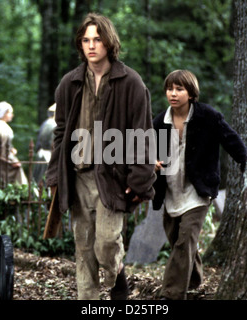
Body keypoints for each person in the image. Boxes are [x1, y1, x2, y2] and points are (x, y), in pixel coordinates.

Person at [45, 13, 156, 300]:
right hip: (78, 175)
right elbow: (60, 134)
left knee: (106, 243)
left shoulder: (130, 82)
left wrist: (141, 179)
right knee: (84, 249)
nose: (91, 45)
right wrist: (55, 175)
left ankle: (118, 281)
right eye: (85, 40)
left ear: (109, 42)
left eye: (97, 39)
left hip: (113, 177)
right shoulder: (69, 83)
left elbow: (142, 133)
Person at [152, 70, 247, 300]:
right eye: (170, 89)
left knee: (185, 240)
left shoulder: (208, 117)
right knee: (177, 240)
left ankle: (172, 294)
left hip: (199, 191)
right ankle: (194, 278)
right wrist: (150, 163)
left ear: (191, 93)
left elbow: (231, 140)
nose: (173, 94)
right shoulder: (158, 122)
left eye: (179, 89)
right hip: (171, 191)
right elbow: (145, 152)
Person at [0, 101, 28, 186]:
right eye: (9, 113)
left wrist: (11, 149)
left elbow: (4, 146)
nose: (12, 115)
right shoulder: (2, 130)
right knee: (18, 173)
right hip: (1, 163)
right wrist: (13, 160)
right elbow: (2, 150)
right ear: (3, 114)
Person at [32, 103, 56, 183]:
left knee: (39, 178)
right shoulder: (53, 124)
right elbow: (51, 142)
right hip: (47, 154)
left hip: (42, 153)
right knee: (43, 179)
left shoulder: (46, 123)